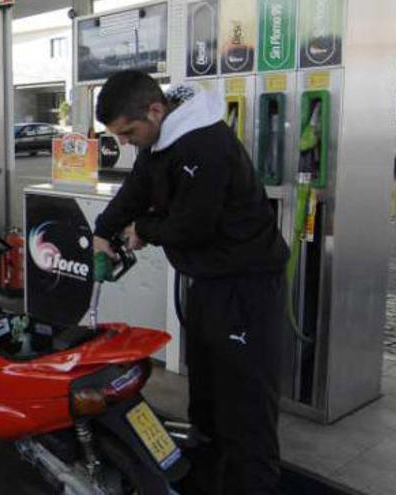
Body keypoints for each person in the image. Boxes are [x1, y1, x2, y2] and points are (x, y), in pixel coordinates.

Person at [92, 71, 289, 495]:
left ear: (155, 110)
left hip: (246, 284)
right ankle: (207, 480)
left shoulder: (207, 142)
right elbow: (135, 189)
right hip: (208, 281)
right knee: (207, 396)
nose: (124, 142)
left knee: (245, 407)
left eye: (127, 132)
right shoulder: (157, 140)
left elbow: (193, 225)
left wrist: (141, 230)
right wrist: (102, 230)